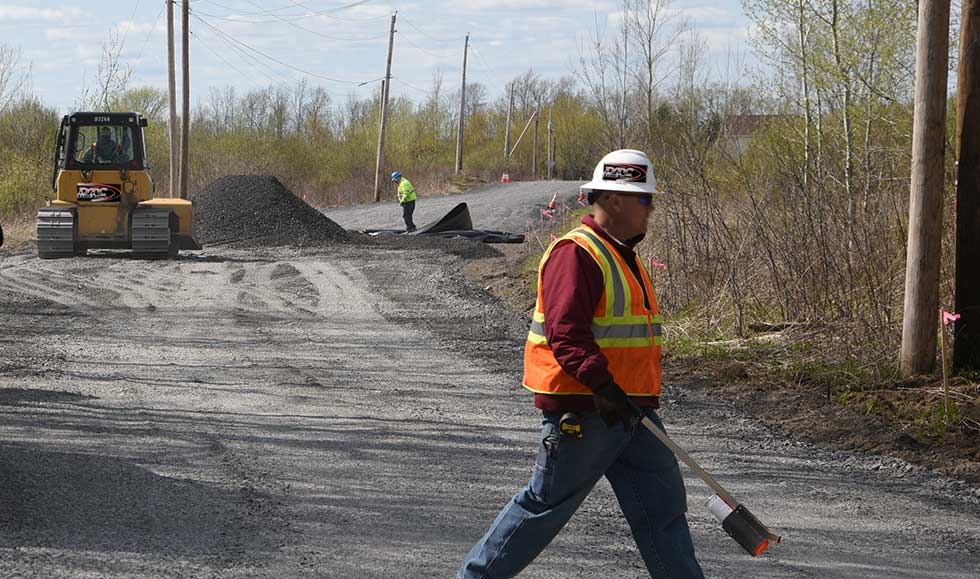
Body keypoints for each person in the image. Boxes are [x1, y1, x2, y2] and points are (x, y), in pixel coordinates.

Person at [458, 149, 704, 579]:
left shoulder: (622, 254)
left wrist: (623, 396)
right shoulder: (576, 254)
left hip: (631, 412)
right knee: (542, 509)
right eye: (645, 199)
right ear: (614, 200)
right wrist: (603, 387)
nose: (651, 209)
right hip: (588, 411)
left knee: (664, 512)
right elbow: (566, 334)